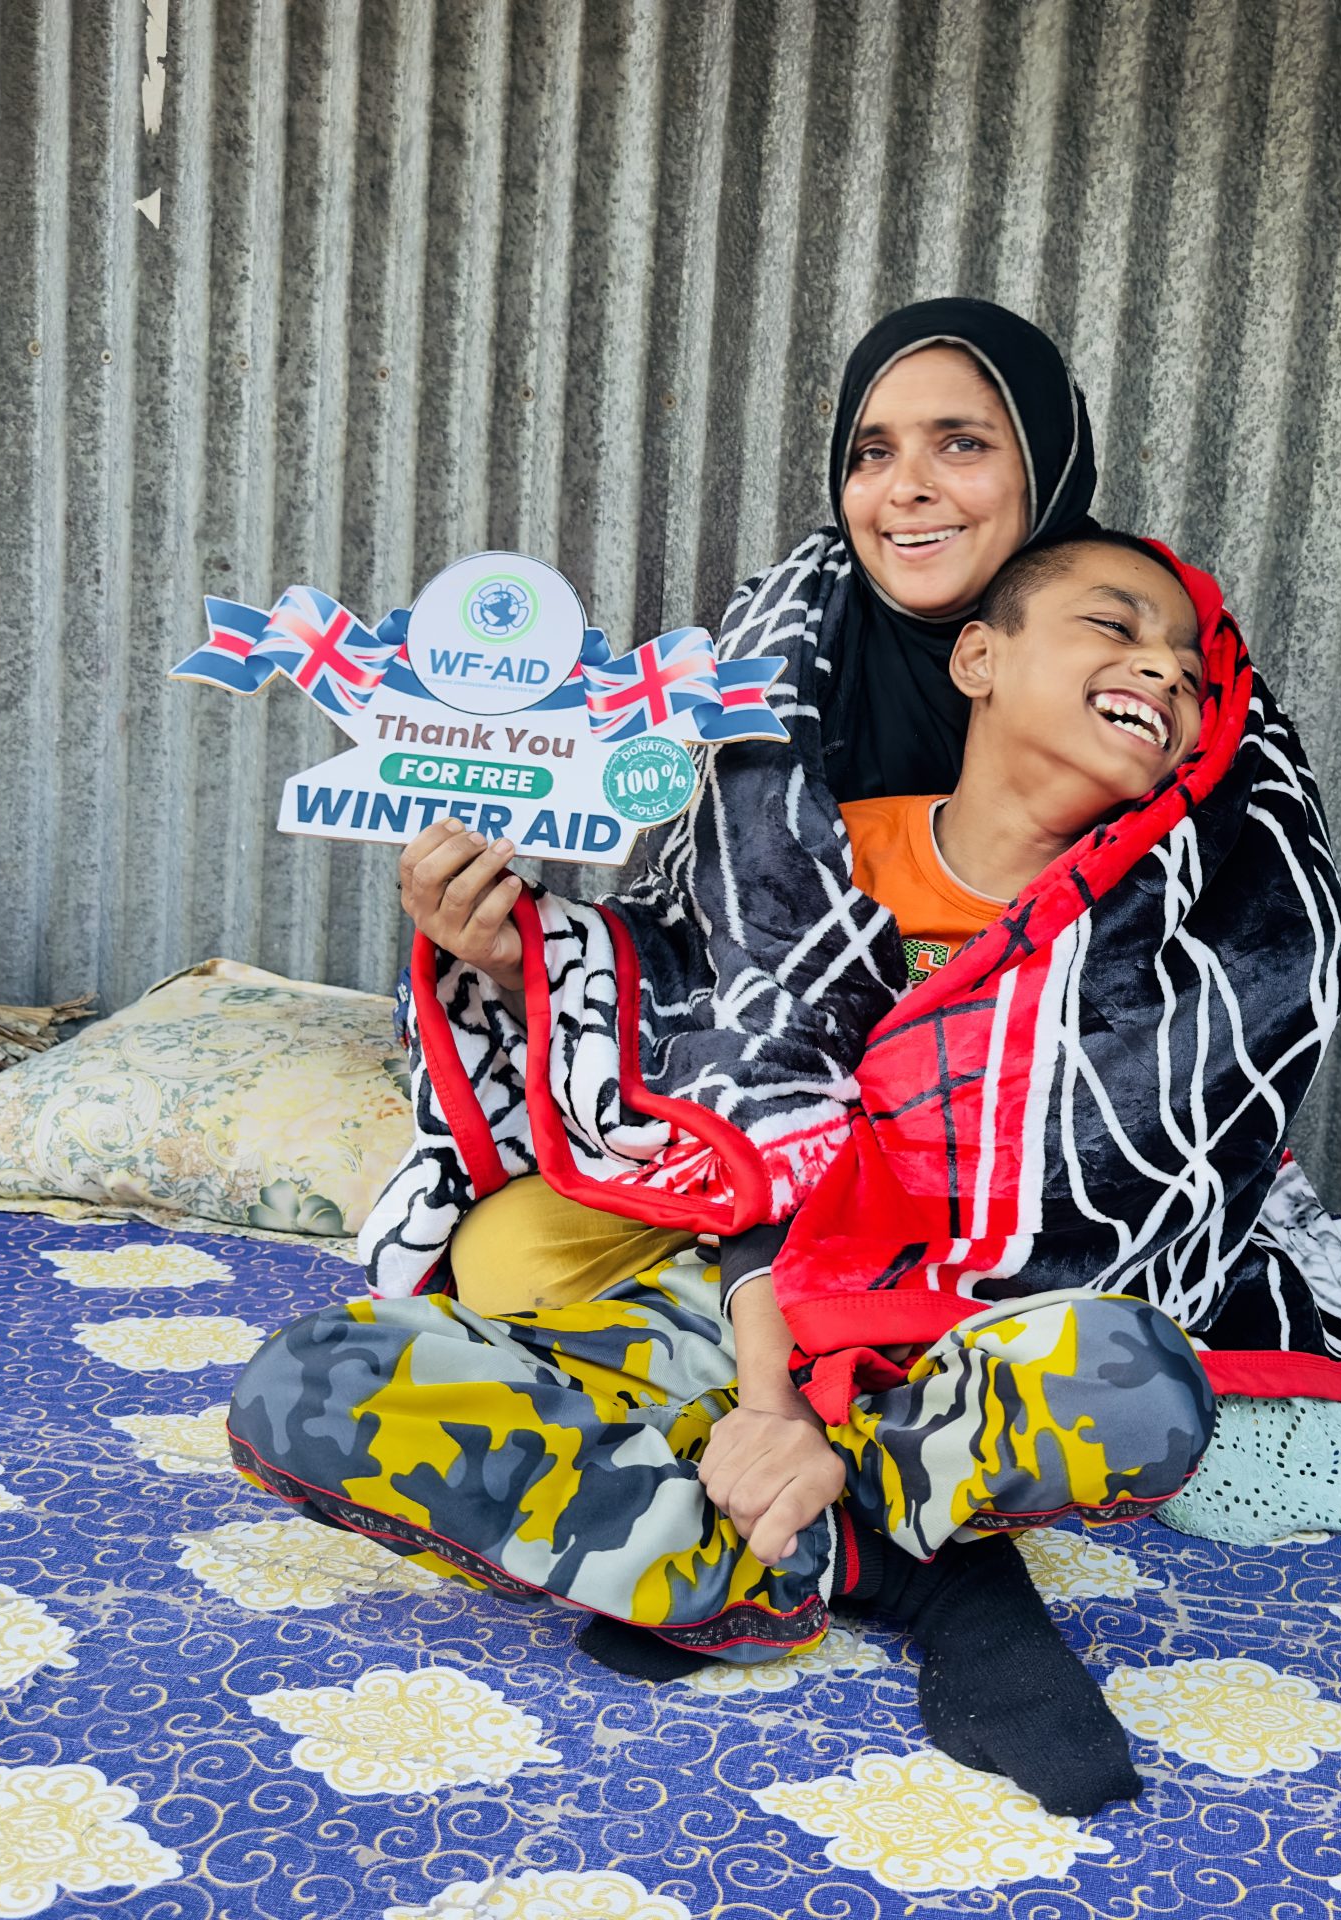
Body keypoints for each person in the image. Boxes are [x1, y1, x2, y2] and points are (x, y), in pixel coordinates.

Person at [231, 531, 1219, 1820]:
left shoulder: (1169, 931)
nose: (1163, 669)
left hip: (939, 1342)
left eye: (1189, 664)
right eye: (1117, 627)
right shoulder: (800, 854)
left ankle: (744, 1528)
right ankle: (873, 1559)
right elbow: (720, 1081)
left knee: (1142, 1376)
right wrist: (503, 943)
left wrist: (804, 1404)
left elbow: (1127, 1188)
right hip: (725, 1301)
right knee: (312, 1378)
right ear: (978, 657)